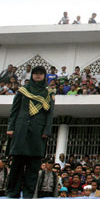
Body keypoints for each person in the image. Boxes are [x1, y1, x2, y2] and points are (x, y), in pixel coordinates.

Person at [6, 66, 55, 198]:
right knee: (17, 165)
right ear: (32, 75)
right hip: (21, 130)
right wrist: (10, 127)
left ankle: (28, 194)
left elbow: (49, 114)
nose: (38, 76)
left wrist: (47, 130)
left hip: (38, 132)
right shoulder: (23, 90)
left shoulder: (48, 92)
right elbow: (14, 111)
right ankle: (12, 193)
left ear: (45, 76)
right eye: (36, 74)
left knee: (33, 167)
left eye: (41, 74)